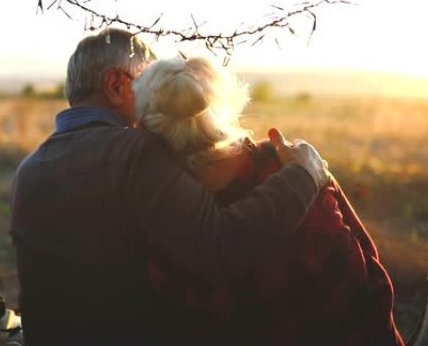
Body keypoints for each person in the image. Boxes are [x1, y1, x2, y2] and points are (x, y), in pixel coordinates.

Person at [10, 28, 330, 346]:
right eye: (148, 82)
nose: (160, 95)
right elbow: (219, 247)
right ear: (116, 85)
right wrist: (303, 174)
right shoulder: (135, 152)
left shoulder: (28, 169)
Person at [133, 56, 404, 346]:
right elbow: (366, 273)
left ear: (150, 129)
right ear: (224, 107)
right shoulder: (291, 166)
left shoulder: (157, 215)